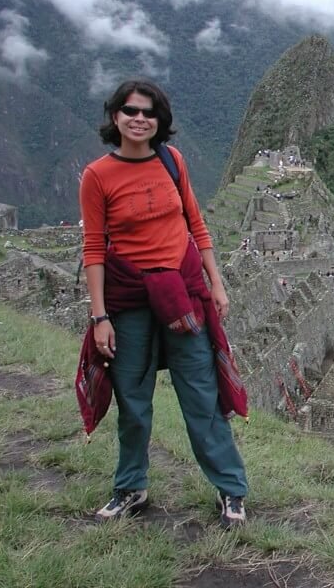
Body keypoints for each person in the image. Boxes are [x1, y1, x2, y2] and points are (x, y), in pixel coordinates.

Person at [79, 79, 248, 528]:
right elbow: (94, 247)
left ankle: (231, 489)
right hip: (129, 299)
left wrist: (217, 283)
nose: (139, 118)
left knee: (201, 394)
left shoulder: (172, 161)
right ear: (115, 117)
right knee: (133, 398)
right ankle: (131, 487)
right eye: (130, 110)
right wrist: (100, 317)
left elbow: (196, 222)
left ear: (160, 121)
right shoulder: (98, 176)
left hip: (182, 294)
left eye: (149, 112)